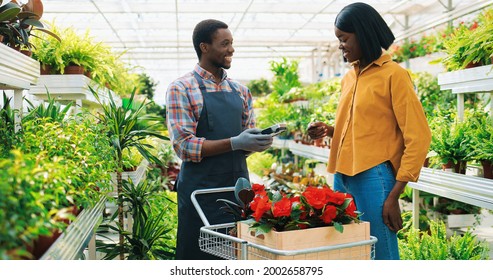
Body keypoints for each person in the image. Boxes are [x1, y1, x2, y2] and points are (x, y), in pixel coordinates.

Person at [307, 2, 431, 260]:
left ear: (363, 33)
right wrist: (329, 130)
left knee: (381, 253)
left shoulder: (394, 75)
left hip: (375, 177)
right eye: (338, 39)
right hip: (342, 176)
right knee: (349, 251)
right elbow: (365, 127)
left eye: (344, 39)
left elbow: (418, 136)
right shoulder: (349, 77)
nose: (340, 45)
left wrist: (394, 195)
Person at [165, 19, 273, 260]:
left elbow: (246, 138)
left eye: (232, 43)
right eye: (225, 44)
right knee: (198, 256)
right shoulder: (181, 88)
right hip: (200, 194)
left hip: (238, 192)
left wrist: (257, 142)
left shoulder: (241, 91)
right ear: (205, 47)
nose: (231, 49)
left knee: (238, 256)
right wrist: (236, 142)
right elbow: (184, 146)